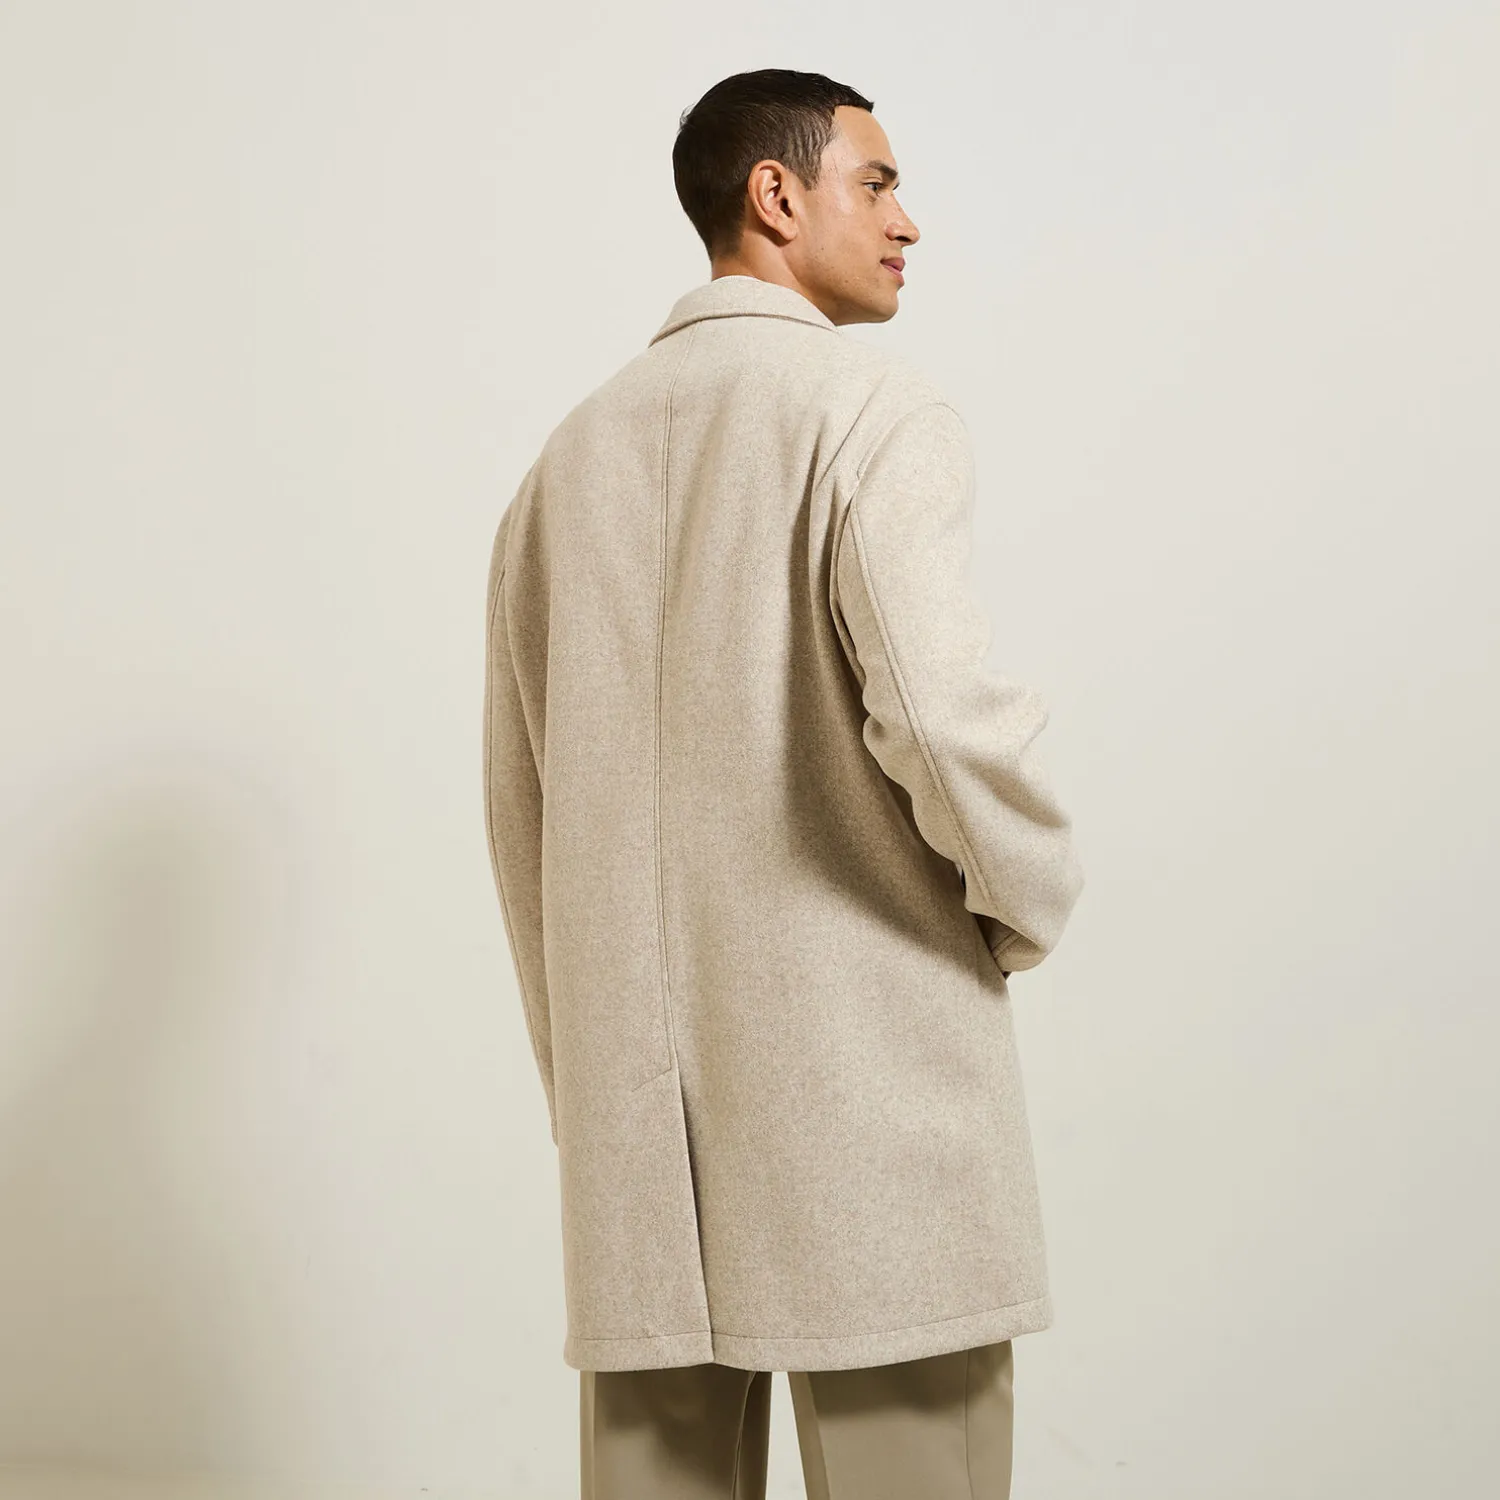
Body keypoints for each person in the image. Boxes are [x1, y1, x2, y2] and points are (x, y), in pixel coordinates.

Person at [482, 66, 1085, 1499]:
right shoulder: (864, 413)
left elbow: (522, 810)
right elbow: (942, 716)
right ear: (776, 195)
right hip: (867, 1082)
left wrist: (590, 1083)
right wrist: (1024, 901)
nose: (907, 222)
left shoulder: (567, 461)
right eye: (877, 184)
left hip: (641, 1131)